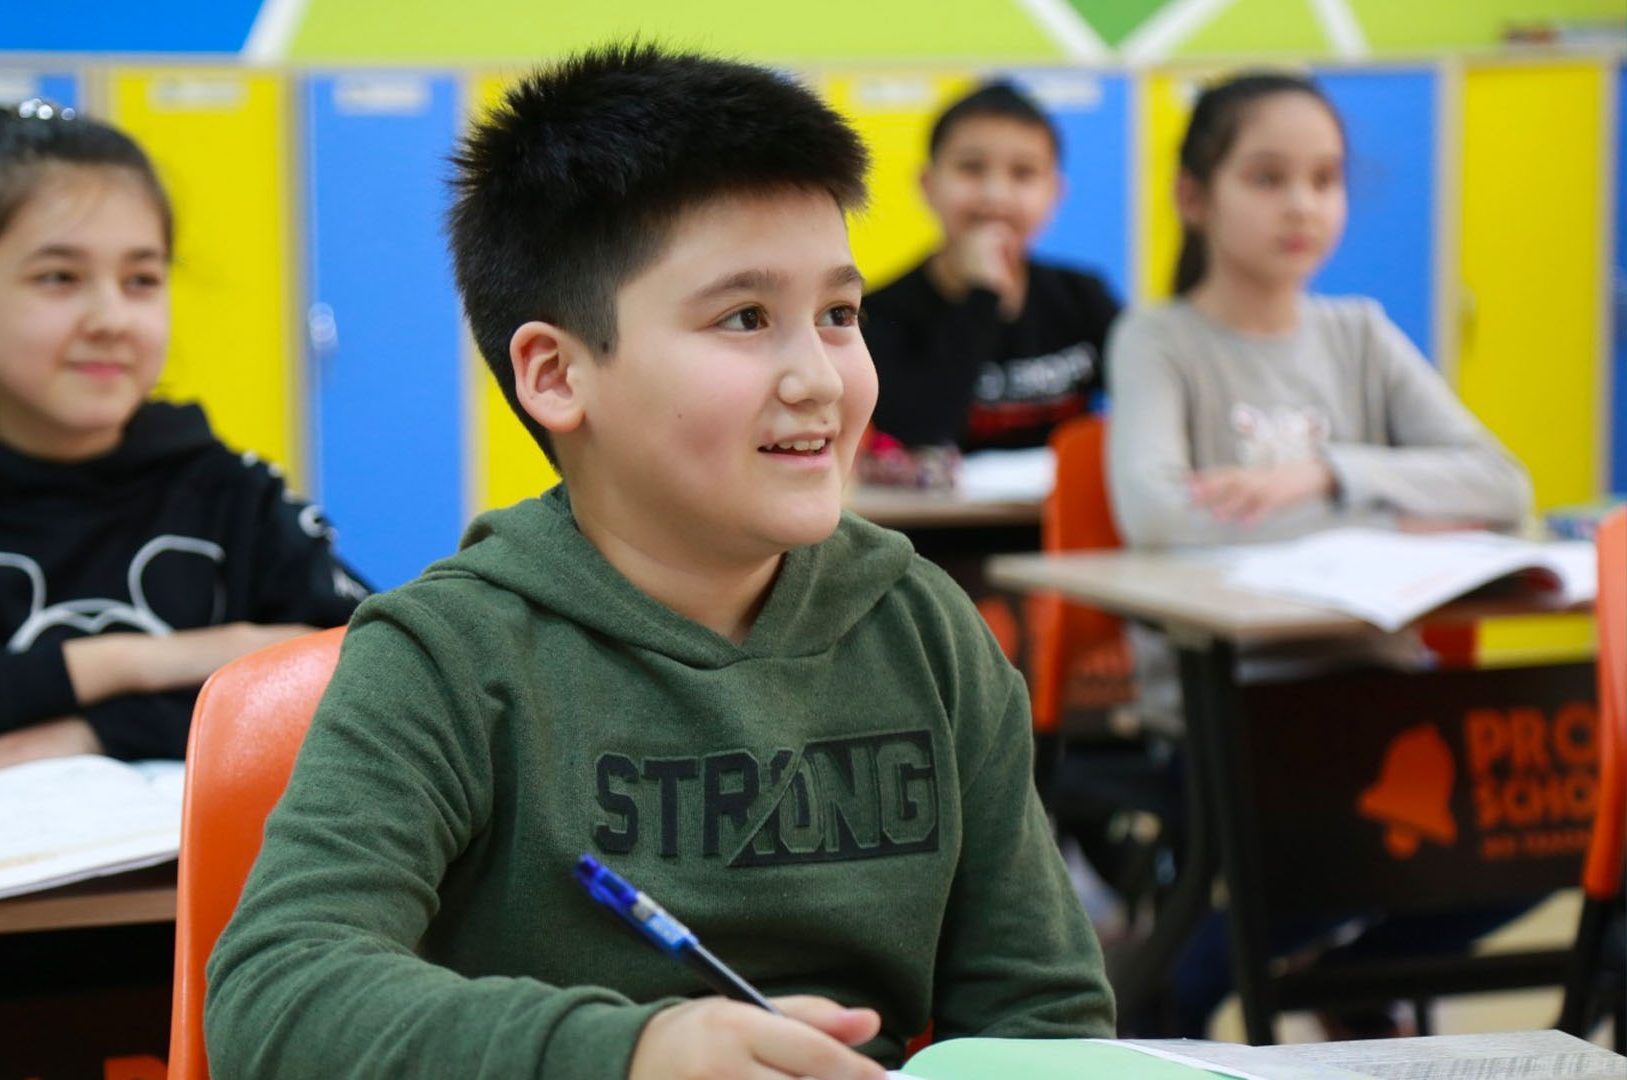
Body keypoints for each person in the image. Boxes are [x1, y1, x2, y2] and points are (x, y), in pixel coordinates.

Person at [206, 45, 1114, 1080]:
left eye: (839, 314)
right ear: (557, 375)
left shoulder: (925, 629)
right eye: (745, 318)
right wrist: (630, 1052)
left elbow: (1044, 1011)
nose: (820, 378)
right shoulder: (449, 656)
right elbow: (277, 996)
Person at [0, 95, 371, 1008]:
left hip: (198, 965)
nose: (111, 317)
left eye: (141, 279)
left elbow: (371, 670)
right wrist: (143, 659)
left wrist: (91, 731)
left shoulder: (232, 492)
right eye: (58, 278)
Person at [1102, 70, 1532, 1039]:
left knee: (1544, 828)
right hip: (1235, 704)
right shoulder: (1160, 339)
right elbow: (1159, 516)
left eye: (1325, 178)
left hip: (1381, 690)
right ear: (1193, 196)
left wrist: (1327, 474)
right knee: (1348, 837)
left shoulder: (1360, 334)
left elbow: (1502, 484)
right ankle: (1184, 979)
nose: (1303, 204)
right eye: (1268, 177)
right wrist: (1391, 511)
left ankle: (1350, 979)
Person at [863, 80, 1118, 457]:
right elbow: (920, 436)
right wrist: (982, 297)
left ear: (1054, 192)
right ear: (928, 185)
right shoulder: (882, 313)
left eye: (1023, 173)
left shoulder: (1083, 296)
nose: (995, 194)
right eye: (971, 168)